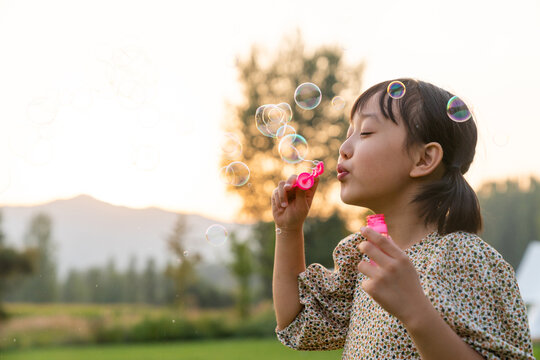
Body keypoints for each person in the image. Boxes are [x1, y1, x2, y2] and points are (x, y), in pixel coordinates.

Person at [271, 78, 535, 359]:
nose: (344, 148)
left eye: (366, 132)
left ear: (424, 159)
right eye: (349, 134)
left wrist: (415, 310)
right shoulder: (365, 256)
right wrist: (289, 230)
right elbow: (298, 320)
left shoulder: (465, 259)